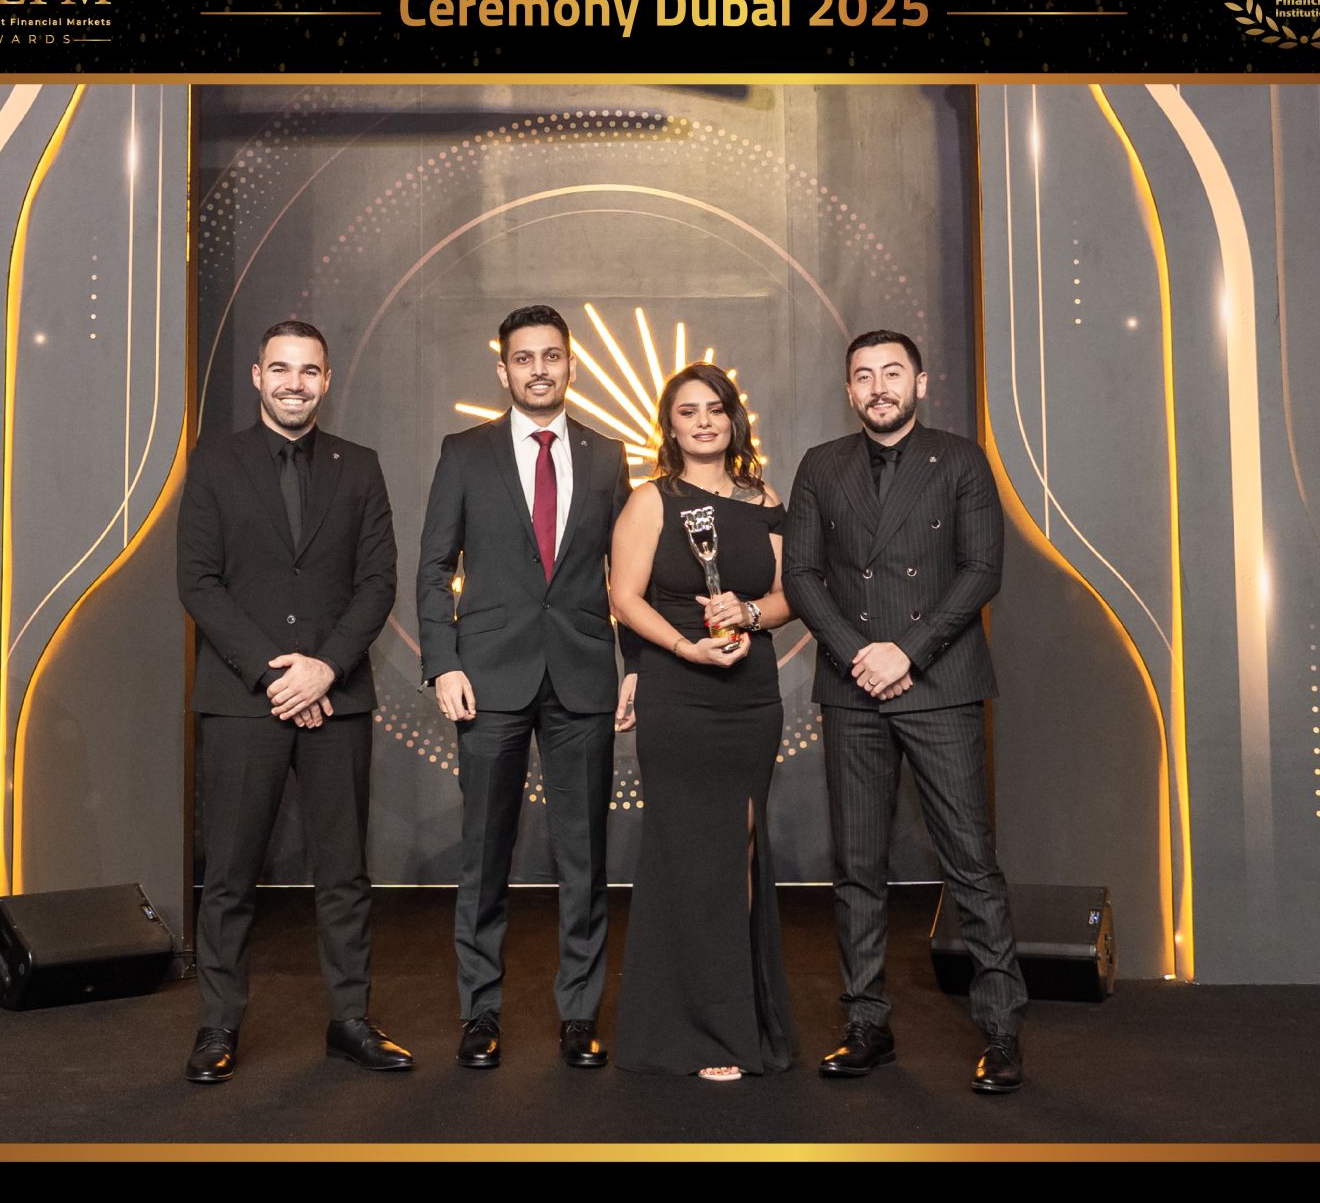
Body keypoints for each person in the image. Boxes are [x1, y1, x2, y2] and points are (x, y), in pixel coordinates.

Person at [782, 329, 1028, 1092]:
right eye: (864, 376)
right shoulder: (821, 465)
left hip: (940, 683)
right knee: (857, 866)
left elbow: (982, 570)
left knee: (970, 860)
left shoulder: (959, 460)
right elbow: (802, 575)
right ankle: (866, 1024)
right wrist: (861, 653)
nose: (878, 387)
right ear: (849, 390)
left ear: (920, 383)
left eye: (893, 373)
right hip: (851, 684)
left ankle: (1001, 1030)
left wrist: (906, 652)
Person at [177, 319, 410, 1083]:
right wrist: (277, 675)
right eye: (281, 368)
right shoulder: (214, 463)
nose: (294, 383)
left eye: (309, 371)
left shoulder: (359, 466)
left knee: (344, 875)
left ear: (327, 380)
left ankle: (350, 1021)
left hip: (336, 700)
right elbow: (198, 581)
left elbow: (378, 581)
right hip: (244, 699)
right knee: (231, 874)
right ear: (257, 376)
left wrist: (325, 669)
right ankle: (218, 1026)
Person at [416, 304, 637, 1069]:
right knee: (483, 857)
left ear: (570, 364)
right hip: (486, 680)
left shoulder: (608, 456)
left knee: (584, 858)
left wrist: (637, 665)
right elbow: (433, 567)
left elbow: (629, 574)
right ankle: (480, 1013)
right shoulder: (464, 452)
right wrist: (443, 661)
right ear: (502, 369)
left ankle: (579, 1014)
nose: (538, 370)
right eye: (523, 358)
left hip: (583, 678)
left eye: (550, 356)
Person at [610, 363, 797, 1081]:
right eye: (688, 411)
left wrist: (747, 613)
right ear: (671, 425)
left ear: (733, 418)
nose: (704, 422)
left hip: (749, 693)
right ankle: (692, 1030)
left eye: (715, 409)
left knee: (741, 848)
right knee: (687, 854)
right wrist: (687, 646)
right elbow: (625, 598)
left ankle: (734, 1020)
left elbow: (788, 594)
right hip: (678, 689)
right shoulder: (650, 501)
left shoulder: (764, 499)